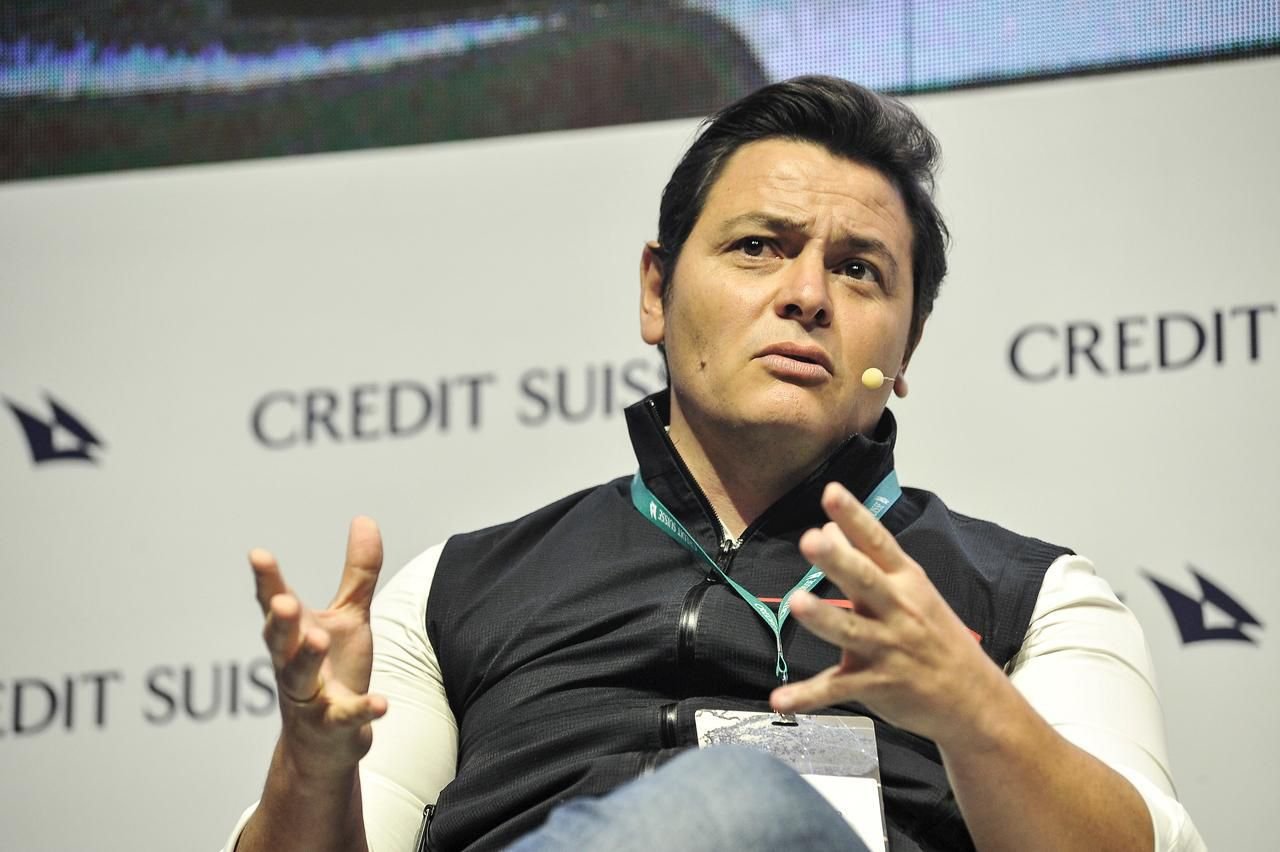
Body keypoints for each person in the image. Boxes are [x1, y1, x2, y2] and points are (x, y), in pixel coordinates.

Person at [223, 77, 1204, 851]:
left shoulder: (1034, 599)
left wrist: (970, 706)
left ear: (905, 348)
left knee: (741, 803)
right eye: (758, 248)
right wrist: (312, 769)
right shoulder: (455, 590)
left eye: (858, 269)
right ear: (656, 293)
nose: (807, 295)